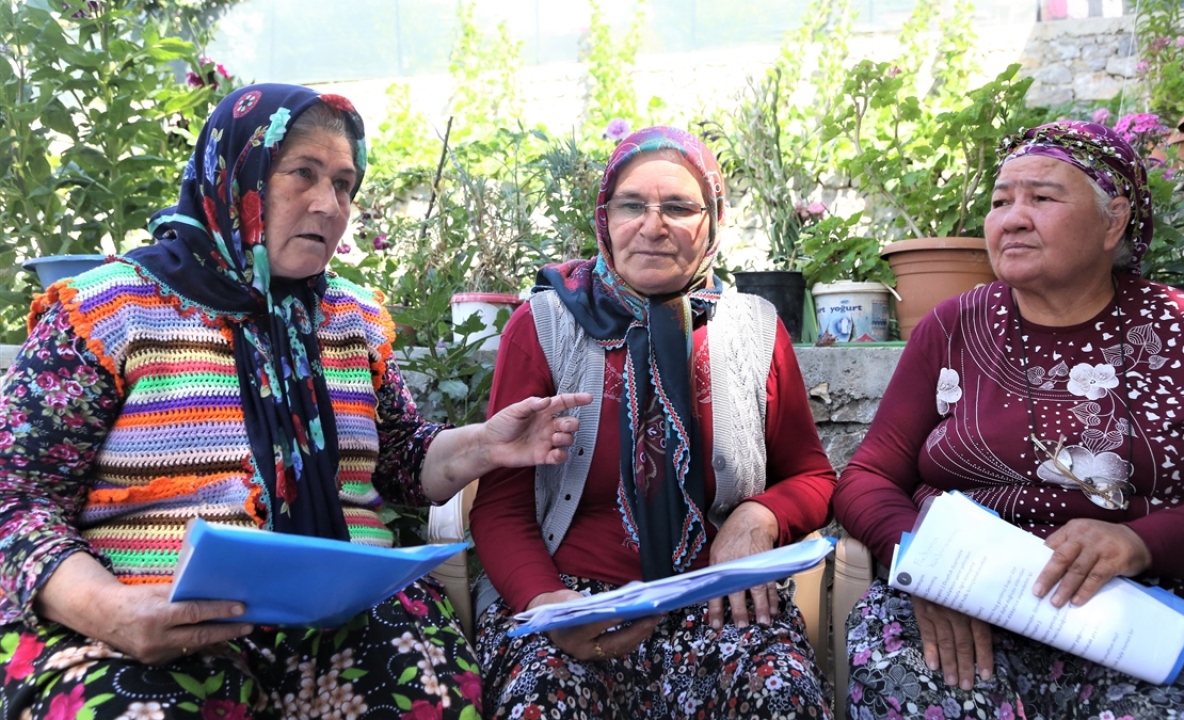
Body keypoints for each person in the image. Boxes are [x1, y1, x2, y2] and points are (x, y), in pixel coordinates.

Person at [0, 83, 590, 720]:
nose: (328, 203)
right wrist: (108, 611)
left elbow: (398, 460)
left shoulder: (350, 318)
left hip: (335, 618)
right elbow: (16, 499)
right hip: (142, 617)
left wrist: (484, 444)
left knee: (424, 696)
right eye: (302, 174)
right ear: (238, 174)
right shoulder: (106, 310)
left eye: (343, 184)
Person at [835, 120, 1184, 719]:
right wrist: (923, 567)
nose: (1012, 218)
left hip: (1134, 614)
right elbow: (865, 477)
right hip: (963, 611)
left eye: (1042, 197)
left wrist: (1138, 542)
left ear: (1113, 220)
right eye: (1000, 202)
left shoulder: (1179, 329)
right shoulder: (951, 326)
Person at [470, 126, 837, 718]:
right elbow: (500, 506)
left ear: (713, 219)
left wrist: (760, 513)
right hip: (573, 600)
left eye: (679, 207)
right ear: (605, 217)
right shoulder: (544, 326)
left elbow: (813, 476)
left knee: (780, 695)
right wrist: (551, 605)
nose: (653, 224)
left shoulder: (754, 328)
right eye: (632, 205)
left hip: (720, 602)